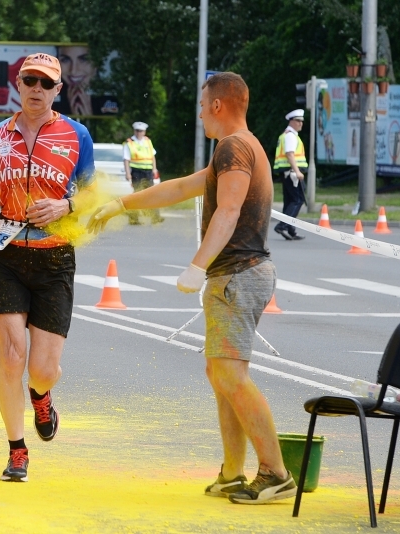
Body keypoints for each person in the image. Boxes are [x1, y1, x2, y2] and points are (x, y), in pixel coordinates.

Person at [88, 72, 296, 504]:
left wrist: (197, 266)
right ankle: (233, 473)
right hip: (237, 276)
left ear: (218, 105)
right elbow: (182, 187)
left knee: (230, 375)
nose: (200, 111)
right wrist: (121, 204)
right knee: (221, 374)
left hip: (237, 275)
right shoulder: (238, 146)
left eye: (203, 104)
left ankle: (275, 473)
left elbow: (230, 210)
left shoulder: (235, 147)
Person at [0, 52, 95, 483]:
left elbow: (96, 199)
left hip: (55, 255)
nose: (37, 90)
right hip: (5, 254)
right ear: (17, 86)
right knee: (10, 356)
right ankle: (17, 450)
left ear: (58, 90)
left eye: (46, 83)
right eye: (30, 81)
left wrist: (66, 204)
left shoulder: (78, 135)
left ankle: (41, 395)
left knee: (41, 368)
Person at [272, 109, 307, 241]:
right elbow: (289, 154)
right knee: (298, 200)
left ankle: (291, 230)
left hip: (286, 173)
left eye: (301, 121)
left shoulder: (286, 135)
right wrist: (297, 171)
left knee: (289, 201)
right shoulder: (291, 136)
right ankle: (282, 225)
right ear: (291, 121)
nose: (300, 123)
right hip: (292, 173)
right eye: (298, 121)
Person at [123, 122, 163, 225]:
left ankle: (155, 217)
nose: (139, 133)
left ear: (144, 132)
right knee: (137, 194)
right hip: (136, 172)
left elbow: (153, 156)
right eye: (137, 131)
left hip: (148, 171)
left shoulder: (148, 141)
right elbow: (126, 159)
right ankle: (133, 218)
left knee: (152, 194)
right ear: (134, 131)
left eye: (141, 131)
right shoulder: (129, 143)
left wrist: (154, 169)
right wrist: (128, 174)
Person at [55, 45, 97, 116]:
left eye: (84, 59)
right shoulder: (50, 101)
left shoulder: (112, 98)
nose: (73, 71)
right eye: (65, 60)